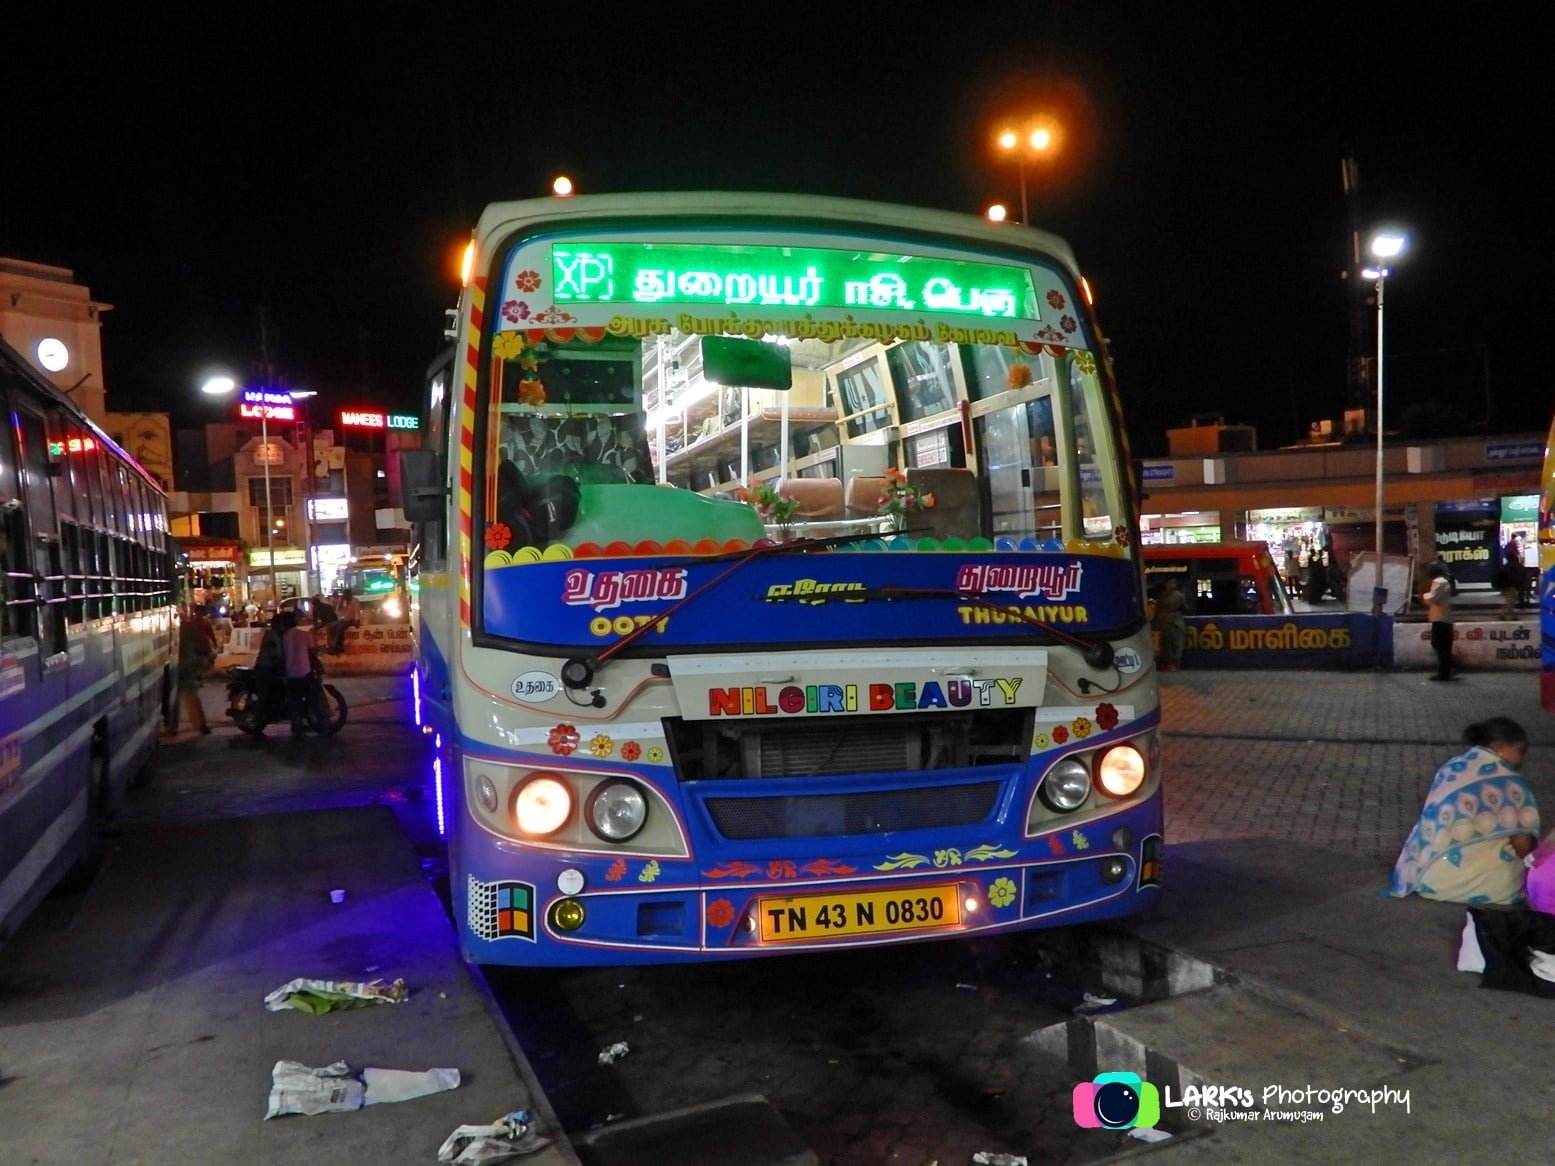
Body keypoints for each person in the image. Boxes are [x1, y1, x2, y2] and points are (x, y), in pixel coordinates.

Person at [1390, 718, 1539, 905]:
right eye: (1520, 751)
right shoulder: (1509, 780)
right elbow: (1523, 846)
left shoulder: (1452, 767)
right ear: (1498, 746)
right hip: (1480, 888)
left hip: (1427, 877)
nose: (1523, 759)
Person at [172, 605, 218, 735]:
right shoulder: (192, 626)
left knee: (178, 698)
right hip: (187, 666)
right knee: (191, 696)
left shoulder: (187, 627)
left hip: (182, 666)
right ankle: (200, 725)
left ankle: (174, 726)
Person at [279, 610, 316, 736]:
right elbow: (312, 654)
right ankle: (303, 722)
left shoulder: (283, 637)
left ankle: (297, 724)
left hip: (290, 674)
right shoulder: (304, 635)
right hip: (305, 673)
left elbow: (282, 658)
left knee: (294, 700)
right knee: (308, 698)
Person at [1421, 562, 1456, 681]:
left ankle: (1445, 672)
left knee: (1439, 645)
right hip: (1444, 618)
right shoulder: (1444, 582)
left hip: (1440, 619)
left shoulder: (1438, 582)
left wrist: (1424, 596)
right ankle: (1446, 670)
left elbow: (1432, 598)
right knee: (1443, 646)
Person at [1153, 576, 1187, 671]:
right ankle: (1167, 664)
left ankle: (1175, 664)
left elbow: (1185, 608)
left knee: (1176, 643)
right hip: (1165, 623)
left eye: (1173, 583)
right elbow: (1158, 609)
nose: (1172, 585)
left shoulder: (1179, 595)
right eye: (1170, 583)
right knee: (1166, 645)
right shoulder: (1163, 596)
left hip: (1175, 623)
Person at [1497, 534, 1525, 619]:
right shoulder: (1513, 566)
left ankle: (1506, 615)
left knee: (1509, 601)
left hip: (1507, 585)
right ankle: (1509, 615)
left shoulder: (1507, 566)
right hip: (1510, 586)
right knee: (1510, 601)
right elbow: (1517, 575)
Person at [330, 589, 361, 655]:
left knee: (340, 628)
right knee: (332, 626)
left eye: (346, 594)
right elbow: (340, 612)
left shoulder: (355, 601)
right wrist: (340, 604)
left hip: (352, 620)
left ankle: (338, 648)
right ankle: (333, 645)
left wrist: (357, 620)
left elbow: (357, 612)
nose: (344, 596)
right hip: (345, 620)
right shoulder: (344, 602)